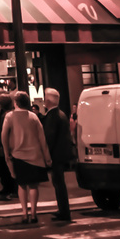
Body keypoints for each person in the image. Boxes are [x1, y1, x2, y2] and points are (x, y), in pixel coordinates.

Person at [2, 90, 52, 224]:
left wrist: (7, 153)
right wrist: (47, 157)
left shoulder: (9, 117)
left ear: (16, 102)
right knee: (34, 186)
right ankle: (34, 213)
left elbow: (4, 136)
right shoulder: (33, 117)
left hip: (18, 155)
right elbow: (42, 139)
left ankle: (24, 213)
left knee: (22, 186)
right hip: (35, 155)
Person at [43, 87, 73, 222]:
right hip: (62, 154)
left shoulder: (52, 116)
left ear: (48, 100)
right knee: (59, 183)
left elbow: (49, 137)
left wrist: (46, 155)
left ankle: (64, 211)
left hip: (56, 155)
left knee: (58, 183)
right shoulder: (61, 114)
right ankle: (63, 210)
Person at [0, 91, 17, 200]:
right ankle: (5, 187)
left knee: (8, 166)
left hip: (5, 141)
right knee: (2, 165)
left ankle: (12, 189)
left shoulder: (8, 114)